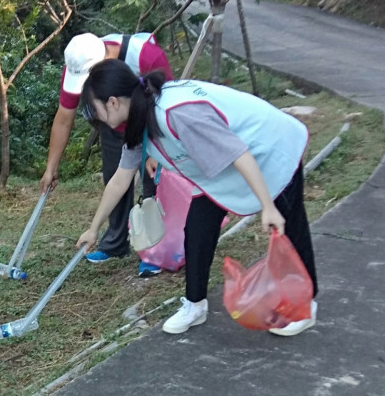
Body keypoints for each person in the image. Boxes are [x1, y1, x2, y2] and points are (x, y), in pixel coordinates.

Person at [75, 60, 318, 336]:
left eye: (94, 109)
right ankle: (195, 304)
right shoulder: (137, 120)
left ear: (114, 102)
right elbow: (120, 179)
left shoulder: (176, 113)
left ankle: (305, 307)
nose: (94, 117)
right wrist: (93, 228)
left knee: (288, 223)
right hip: (220, 168)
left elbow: (238, 153)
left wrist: (267, 206)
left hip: (269, 147)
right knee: (197, 228)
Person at [41, 32, 173, 274]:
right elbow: (63, 119)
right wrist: (51, 168)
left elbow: (166, 104)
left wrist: (156, 150)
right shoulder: (77, 64)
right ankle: (115, 243)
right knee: (115, 176)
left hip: (151, 121)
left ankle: (154, 250)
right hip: (112, 121)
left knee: (152, 182)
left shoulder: (145, 55)